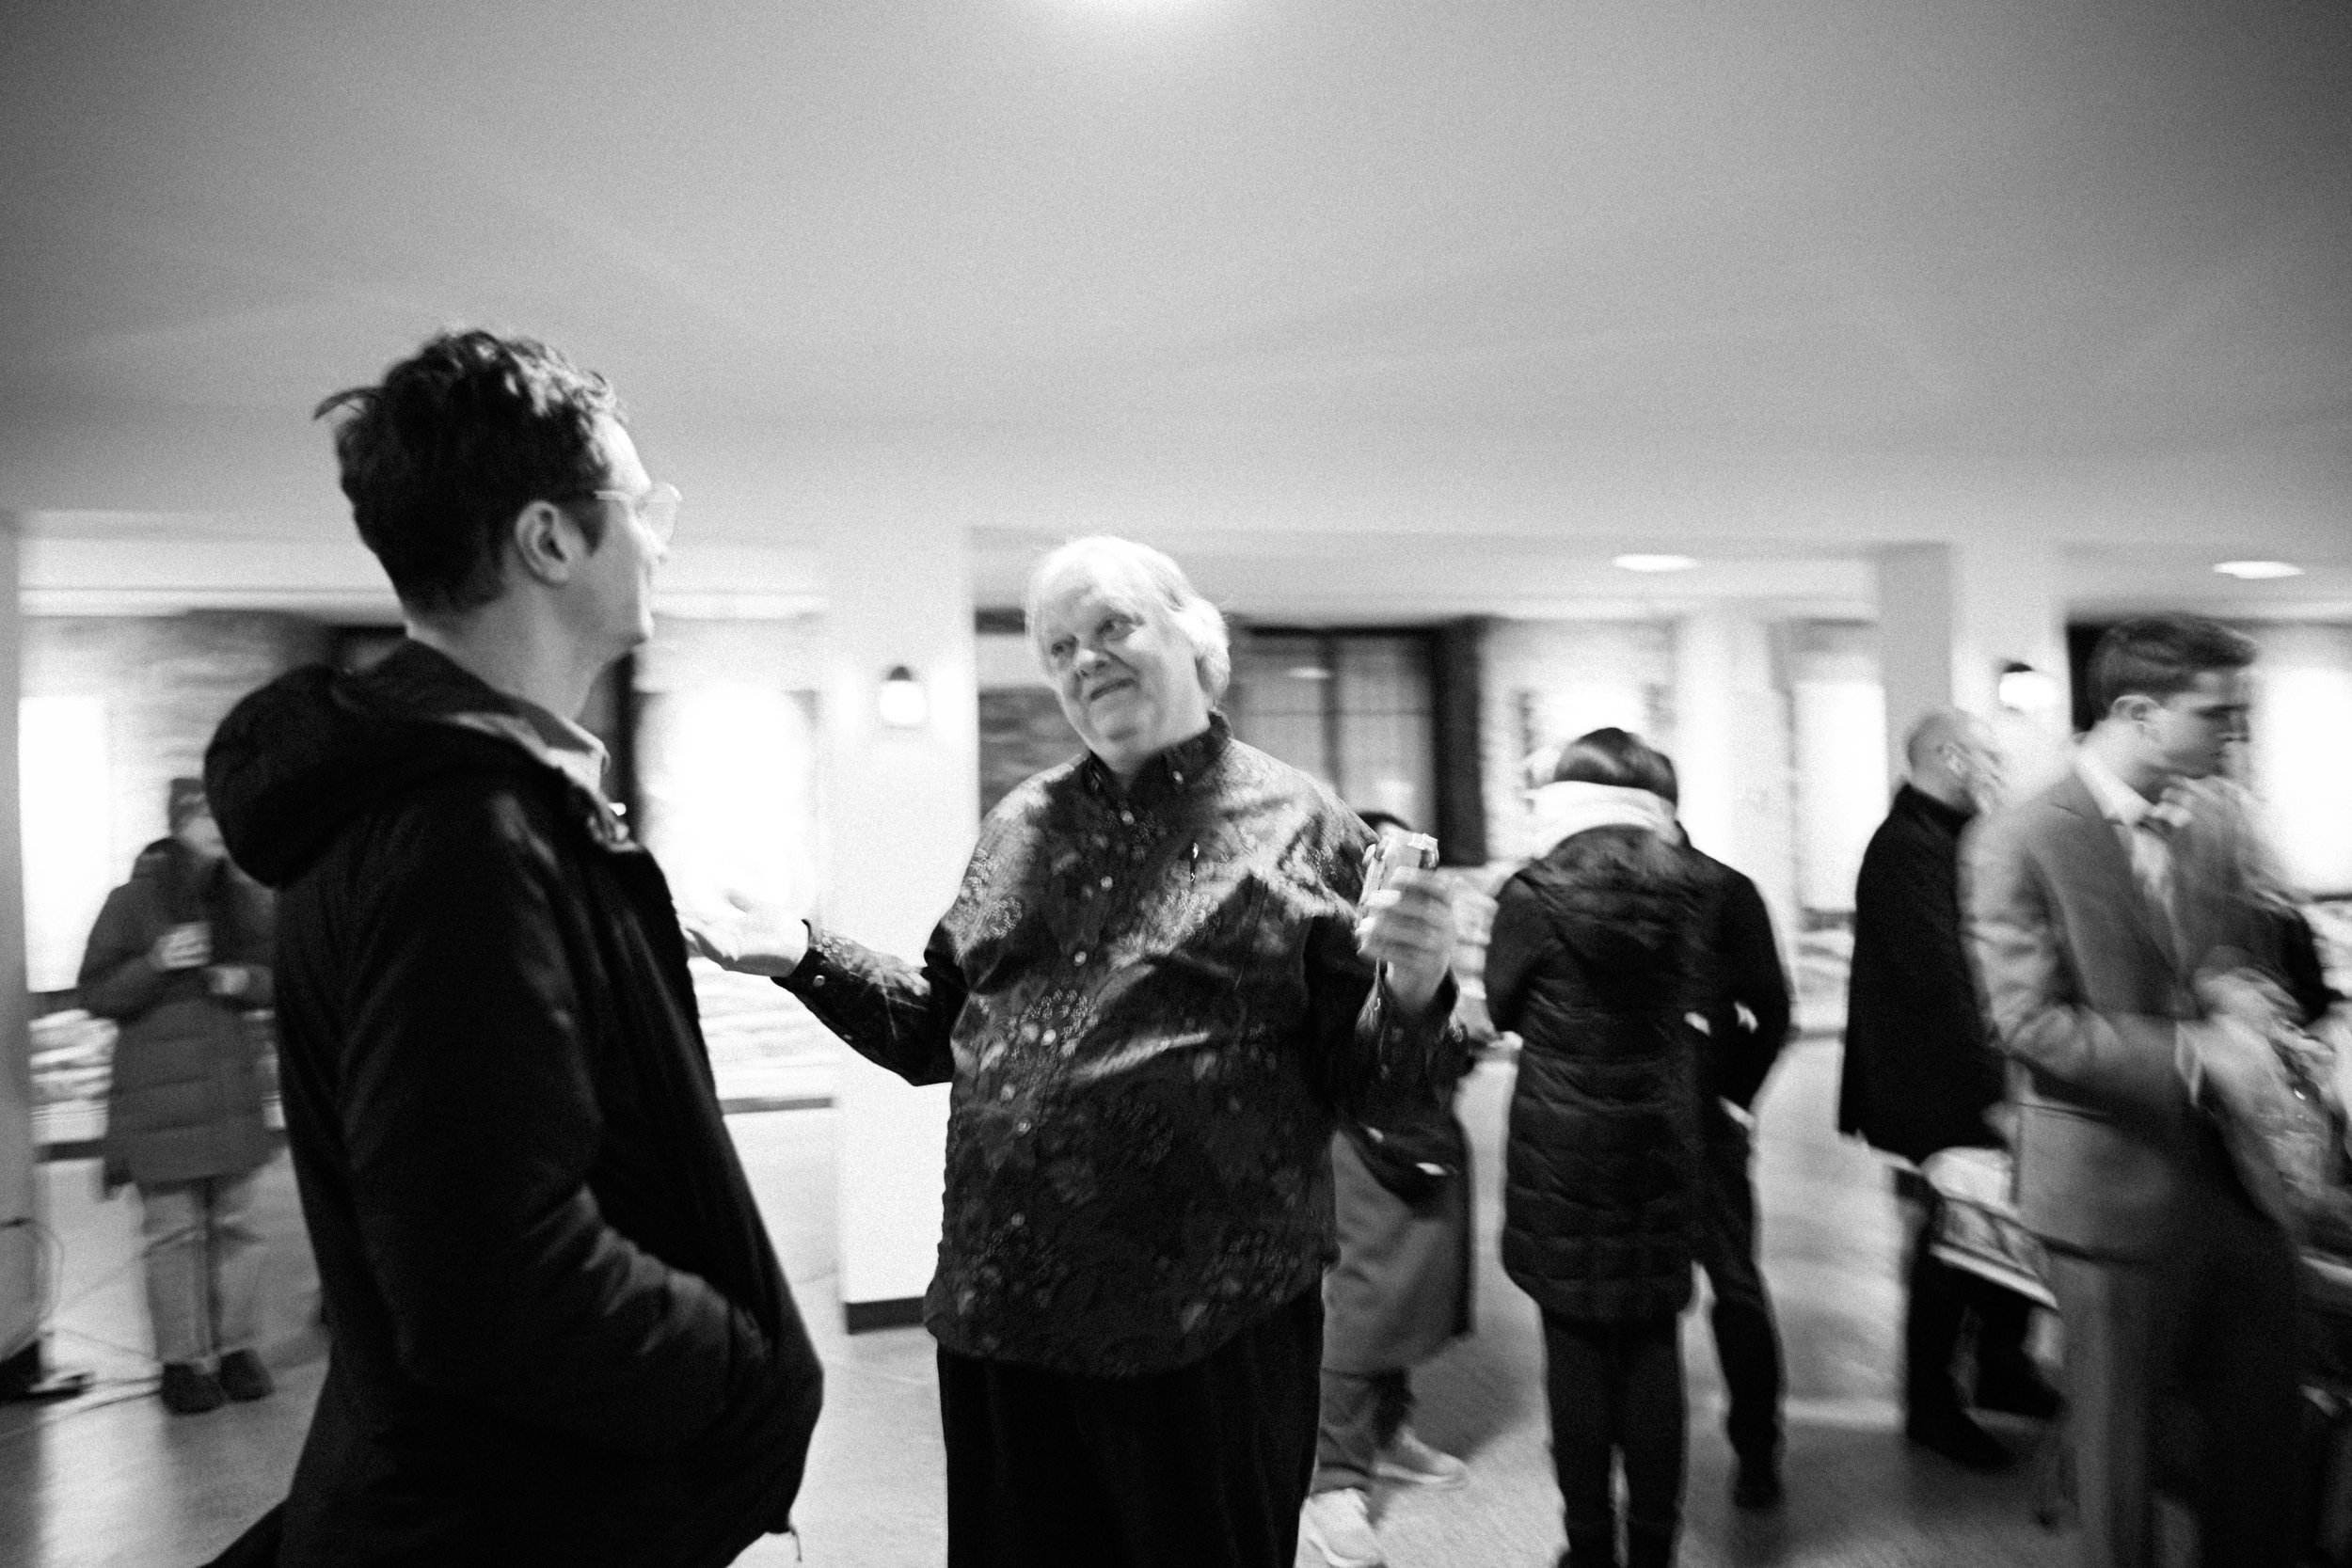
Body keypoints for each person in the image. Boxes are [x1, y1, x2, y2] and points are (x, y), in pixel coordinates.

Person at [688, 535, 1467, 1568]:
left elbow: (1380, 1092)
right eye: (1059, 647)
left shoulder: (1304, 826)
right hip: (1005, 1314)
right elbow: (935, 1028)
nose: (1085, 659)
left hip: (1206, 1329)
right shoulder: (1021, 822)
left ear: (1194, 636)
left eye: (1111, 626)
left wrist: (1413, 987)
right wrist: (802, 953)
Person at [199, 329, 822, 1567]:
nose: (662, 538)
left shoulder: (456, 799)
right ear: (550, 539)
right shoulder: (461, 831)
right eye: (642, 506)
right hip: (519, 1519)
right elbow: (491, 1275)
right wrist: (740, 1370)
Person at [1967, 614, 2312, 1568]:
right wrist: (2194, 1052)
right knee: (2122, 1466)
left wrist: (2239, 993)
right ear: (2138, 712)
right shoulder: (2018, 838)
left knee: (2259, 1451)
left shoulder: (2210, 820)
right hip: (2110, 1198)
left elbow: (2217, 957)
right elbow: (2028, 1022)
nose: (2234, 734)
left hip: (2239, 1188)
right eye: (2217, 714)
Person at [1486, 729, 1710, 1568]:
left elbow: (1502, 1007)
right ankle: (1655, 1548)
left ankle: (1588, 1547)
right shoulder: (1694, 887)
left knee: (1574, 1345)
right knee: (1653, 1344)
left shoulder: (1533, 893)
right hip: (1660, 1134)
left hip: (1562, 1147)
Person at [1840, 709, 2057, 1472]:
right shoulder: (1906, 847)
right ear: (1951, 756)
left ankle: (2001, 1365)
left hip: (1969, 1072)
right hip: (1935, 1082)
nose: (2000, 768)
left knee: (2003, 1216)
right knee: (1952, 1239)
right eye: (1989, 754)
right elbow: (1942, 983)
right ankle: (1930, 1402)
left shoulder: (1954, 836)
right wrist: (1996, 1089)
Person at [1298, 809, 1476, 1568]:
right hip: (1350, 1140)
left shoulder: (1414, 933)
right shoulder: (1310, 929)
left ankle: (1388, 1428)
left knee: (1407, 1293)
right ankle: (1334, 1480)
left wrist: (1435, 1001)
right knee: (1358, 1301)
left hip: (1416, 1137)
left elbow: (1436, 1031)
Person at [76, 778, 278, 1416]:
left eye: (223, 813)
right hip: (158, 1100)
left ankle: (238, 1348)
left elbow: (279, 976)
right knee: (173, 1233)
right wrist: (156, 962)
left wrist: (243, 979)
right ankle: (182, 1362)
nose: (218, 825)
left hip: (229, 1090)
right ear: (177, 822)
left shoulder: (243, 900)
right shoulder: (131, 902)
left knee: (239, 1228)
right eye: (203, 814)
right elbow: (96, 992)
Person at [1646, 746, 1793, 1512]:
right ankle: (1643, 1450)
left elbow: (1773, 1007)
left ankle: (1758, 1445)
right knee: (1640, 1295)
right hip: (1628, 1124)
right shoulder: (1608, 886)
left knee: (1734, 1284)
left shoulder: (1725, 890)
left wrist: (1737, 1097)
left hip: (1707, 1119)